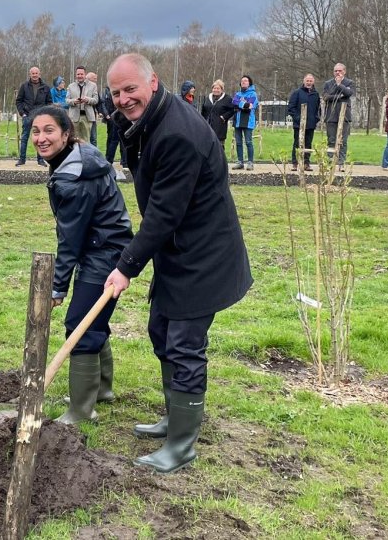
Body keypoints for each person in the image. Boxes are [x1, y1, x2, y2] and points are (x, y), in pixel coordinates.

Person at [105, 53, 252, 474]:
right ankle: (175, 416)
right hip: (178, 248)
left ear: (153, 82)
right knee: (160, 330)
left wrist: (126, 266)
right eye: (115, 92)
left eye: (130, 88)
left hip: (203, 254)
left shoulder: (177, 134)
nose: (122, 99)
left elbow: (163, 214)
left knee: (185, 345)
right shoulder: (149, 121)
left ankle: (182, 445)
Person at [30, 105, 133, 425]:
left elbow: (70, 238)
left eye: (49, 131)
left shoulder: (74, 176)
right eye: (35, 131)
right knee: (93, 318)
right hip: (106, 245)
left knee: (81, 322)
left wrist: (58, 286)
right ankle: (100, 389)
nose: (41, 138)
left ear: (66, 133)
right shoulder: (76, 156)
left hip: (103, 252)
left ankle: (81, 410)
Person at [15, 66, 51, 166]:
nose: (34, 75)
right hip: (27, 116)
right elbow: (19, 101)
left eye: (36, 73)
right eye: (33, 73)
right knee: (25, 137)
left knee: (41, 138)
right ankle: (22, 159)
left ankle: (40, 160)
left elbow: (49, 102)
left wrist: (45, 114)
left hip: (40, 117)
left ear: (39, 74)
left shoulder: (45, 87)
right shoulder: (24, 86)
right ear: (30, 74)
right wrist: (22, 113)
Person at [322, 63, 355, 170]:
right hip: (331, 116)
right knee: (331, 140)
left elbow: (348, 93)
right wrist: (339, 94)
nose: (338, 72)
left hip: (344, 116)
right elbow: (326, 97)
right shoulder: (328, 83)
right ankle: (330, 162)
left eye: (340, 71)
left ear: (344, 71)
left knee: (343, 141)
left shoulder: (349, 82)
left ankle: (341, 163)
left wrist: (340, 85)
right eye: (336, 71)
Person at [287, 74, 321, 171]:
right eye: (307, 81)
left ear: (313, 82)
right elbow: (291, 108)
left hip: (310, 124)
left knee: (308, 143)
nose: (309, 82)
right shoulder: (297, 93)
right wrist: (298, 118)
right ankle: (295, 163)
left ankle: (306, 163)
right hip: (299, 124)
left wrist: (316, 119)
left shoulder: (316, 94)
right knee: (297, 143)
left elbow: (318, 108)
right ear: (304, 81)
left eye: (310, 81)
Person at [66, 66, 99, 146]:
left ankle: (85, 157)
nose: (79, 76)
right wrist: (74, 101)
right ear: (76, 75)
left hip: (87, 117)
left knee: (86, 141)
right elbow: (67, 100)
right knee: (73, 140)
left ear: (85, 74)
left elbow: (96, 100)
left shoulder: (93, 86)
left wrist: (87, 99)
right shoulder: (71, 86)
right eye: (78, 74)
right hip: (74, 117)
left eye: (81, 74)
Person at [230, 75, 258, 170]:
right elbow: (234, 102)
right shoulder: (238, 94)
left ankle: (250, 162)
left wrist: (240, 105)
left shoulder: (253, 94)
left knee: (248, 142)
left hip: (248, 122)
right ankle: (240, 162)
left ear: (249, 82)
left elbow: (250, 106)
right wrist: (244, 105)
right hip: (237, 121)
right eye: (242, 81)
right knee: (238, 142)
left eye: (245, 81)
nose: (243, 82)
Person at [201, 80, 234, 150]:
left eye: (218, 88)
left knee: (219, 146)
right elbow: (203, 110)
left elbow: (232, 110)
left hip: (219, 125)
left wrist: (224, 117)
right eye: (214, 88)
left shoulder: (227, 99)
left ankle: (220, 160)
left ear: (222, 89)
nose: (215, 90)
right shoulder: (208, 98)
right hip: (207, 125)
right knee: (207, 144)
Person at [86, 72, 101, 146]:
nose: (96, 80)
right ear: (88, 79)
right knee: (84, 138)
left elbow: (99, 102)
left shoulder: (95, 89)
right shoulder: (82, 88)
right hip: (82, 116)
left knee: (93, 138)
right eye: (94, 79)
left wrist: (101, 112)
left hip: (93, 116)